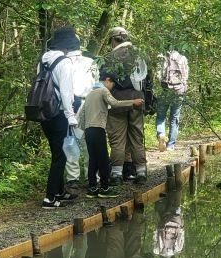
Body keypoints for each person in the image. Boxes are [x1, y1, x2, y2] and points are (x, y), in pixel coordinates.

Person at [77, 71, 144, 198]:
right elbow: (115, 103)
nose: (112, 87)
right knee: (103, 160)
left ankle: (92, 188)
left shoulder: (90, 94)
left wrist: (80, 131)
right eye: (112, 84)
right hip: (98, 129)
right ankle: (105, 188)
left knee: (93, 160)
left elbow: (82, 115)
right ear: (107, 80)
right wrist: (133, 102)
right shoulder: (103, 91)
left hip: (88, 130)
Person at [101, 27, 153, 184]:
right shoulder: (141, 54)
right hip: (138, 101)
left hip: (116, 103)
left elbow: (104, 83)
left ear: (113, 40)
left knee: (117, 139)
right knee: (137, 137)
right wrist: (149, 103)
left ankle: (116, 174)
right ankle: (141, 172)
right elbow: (148, 83)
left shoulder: (109, 57)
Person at [38, 26, 82, 208]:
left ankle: (59, 191)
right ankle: (50, 198)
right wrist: (70, 115)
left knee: (56, 151)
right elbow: (65, 92)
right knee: (60, 155)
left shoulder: (43, 60)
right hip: (58, 114)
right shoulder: (64, 63)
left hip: (43, 111)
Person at [65, 50, 98, 190]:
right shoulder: (89, 62)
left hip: (81, 103)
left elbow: (97, 84)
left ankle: (76, 177)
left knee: (72, 142)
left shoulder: (88, 62)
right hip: (76, 103)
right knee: (82, 142)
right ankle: (91, 177)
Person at [155, 47, 189, 151]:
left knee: (161, 116)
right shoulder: (182, 58)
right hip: (178, 91)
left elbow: (158, 75)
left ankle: (161, 134)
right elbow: (185, 76)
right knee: (174, 118)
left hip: (165, 90)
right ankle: (171, 145)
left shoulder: (161, 58)